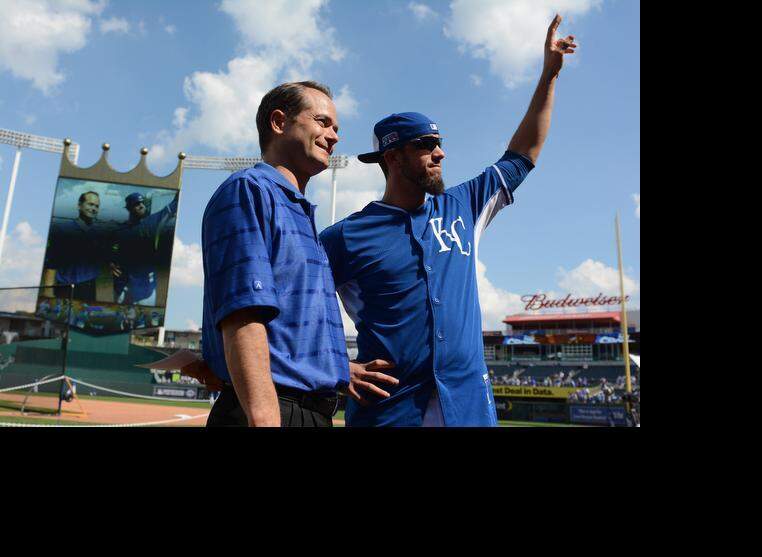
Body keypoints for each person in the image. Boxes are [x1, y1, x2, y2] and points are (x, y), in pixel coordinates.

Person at [320, 14, 577, 427]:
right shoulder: (346, 236)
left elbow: (523, 154)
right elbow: (297, 302)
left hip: (468, 407)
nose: (439, 153)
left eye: (439, 144)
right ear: (393, 157)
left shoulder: (463, 205)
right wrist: (334, 363)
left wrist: (548, 74)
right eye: (426, 145)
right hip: (388, 411)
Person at [196, 80, 397, 428]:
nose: (334, 136)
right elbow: (243, 316)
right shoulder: (250, 191)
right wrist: (265, 418)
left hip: (305, 411)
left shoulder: (298, 210)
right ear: (278, 122)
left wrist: (335, 368)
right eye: (322, 122)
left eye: (336, 128)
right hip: (271, 411)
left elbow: (285, 329)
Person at [110, 191, 178, 305]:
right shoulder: (120, 231)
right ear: (129, 208)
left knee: (146, 321)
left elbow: (173, 204)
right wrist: (110, 262)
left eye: (142, 203)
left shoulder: (151, 222)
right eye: (137, 204)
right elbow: (110, 250)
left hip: (146, 291)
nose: (141, 206)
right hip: (123, 289)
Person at [43, 191, 109, 301]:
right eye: (90, 204)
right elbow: (52, 263)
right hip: (64, 287)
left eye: (97, 206)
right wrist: (48, 290)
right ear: (79, 205)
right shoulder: (62, 230)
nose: (94, 208)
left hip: (89, 286)